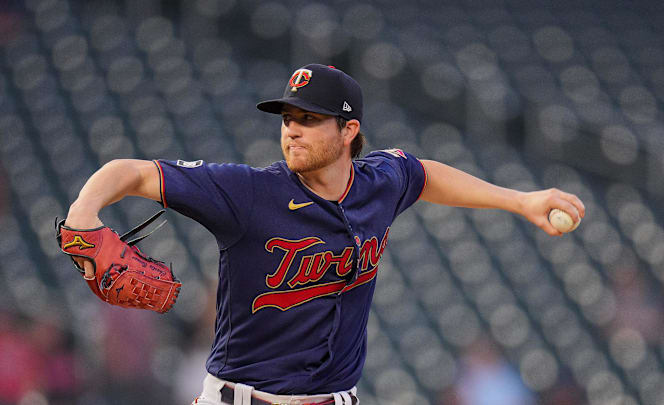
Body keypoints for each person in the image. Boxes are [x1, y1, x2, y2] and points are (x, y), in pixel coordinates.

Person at [63, 64, 585, 405]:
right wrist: (83, 215)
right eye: (288, 117)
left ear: (348, 130)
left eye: (309, 119)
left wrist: (521, 200)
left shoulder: (380, 183)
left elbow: (424, 173)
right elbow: (129, 172)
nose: (291, 129)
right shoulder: (247, 193)